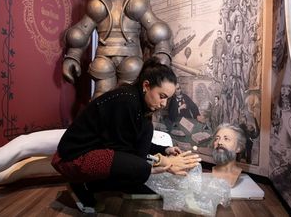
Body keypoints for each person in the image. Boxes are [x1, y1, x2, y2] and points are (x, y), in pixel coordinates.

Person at [51, 57, 202, 213]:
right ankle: (80, 185)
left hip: (91, 152)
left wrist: (165, 151)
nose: (164, 104)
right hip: (71, 158)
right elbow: (124, 152)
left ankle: (93, 185)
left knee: (140, 167)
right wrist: (162, 163)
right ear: (146, 86)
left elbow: (132, 142)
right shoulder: (126, 100)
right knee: (139, 168)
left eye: (167, 99)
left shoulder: (138, 103)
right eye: (162, 96)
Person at [62, 0, 173, 99]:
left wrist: (163, 52)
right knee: (114, 99)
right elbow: (80, 34)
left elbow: (158, 31)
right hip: (118, 60)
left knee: (115, 98)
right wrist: (73, 56)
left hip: (116, 60)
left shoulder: (133, 2)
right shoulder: (100, 4)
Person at [211, 123, 246, 187]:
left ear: (238, 148)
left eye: (226, 139)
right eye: (217, 138)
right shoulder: (208, 174)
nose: (219, 142)